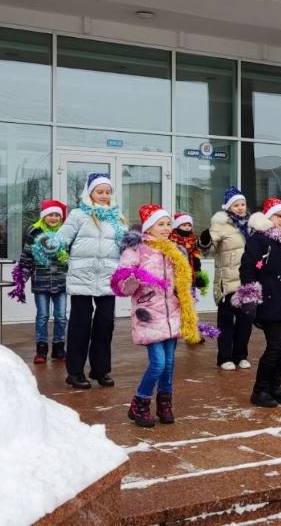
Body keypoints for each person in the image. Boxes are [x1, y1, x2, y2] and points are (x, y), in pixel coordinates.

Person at [112, 205, 201, 427]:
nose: (166, 228)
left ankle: (164, 404)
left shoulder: (175, 250)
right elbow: (122, 285)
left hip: (173, 314)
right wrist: (133, 280)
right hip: (150, 314)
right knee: (158, 363)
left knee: (169, 364)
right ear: (149, 227)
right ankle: (139, 403)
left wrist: (187, 297)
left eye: (168, 224)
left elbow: (182, 282)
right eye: (161, 224)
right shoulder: (136, 250)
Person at [233, 198, 281, 408]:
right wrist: (250, 296)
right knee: (275, 346)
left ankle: (275, 387)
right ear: (269, 217)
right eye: (279, 216)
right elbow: (247, 269)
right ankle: (260, 390)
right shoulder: (258, 240)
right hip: (267, 300)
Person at [56, 174, 125, 390]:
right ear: (90, 193)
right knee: (80, 326)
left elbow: (125, 245)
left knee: (105, 325)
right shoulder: (78, 215)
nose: (104, 196)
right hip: (81, 277)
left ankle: (100, 370)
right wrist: (50, 246)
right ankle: (75, 372)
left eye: (108, 192)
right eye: (100, 191)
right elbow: (62, 238)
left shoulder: (117, 218)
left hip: (108, 278)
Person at [199, 186, 252, 371]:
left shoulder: (250, 225)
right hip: (227, 282)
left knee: (245, 322)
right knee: (227, 322)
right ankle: (224, 357)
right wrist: (205, 241)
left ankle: (241, 355)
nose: (240, 208)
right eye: (236, 205)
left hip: (247, 282)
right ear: (228, 207)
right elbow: (208, 248)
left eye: (242, 204)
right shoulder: (220, 225)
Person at [16, 199, 70, 364]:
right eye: (50, 215)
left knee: (61, 316)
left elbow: (72, 255)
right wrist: (21, 277)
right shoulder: (34, 231)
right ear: (44, 216)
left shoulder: (66, 232)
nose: (53, 218)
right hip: (41, 280)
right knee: (42, 315)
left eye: (57, 215)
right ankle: (41, 349)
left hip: (61, 281)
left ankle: (59, 347)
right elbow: (27, 256)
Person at [168, 212, 210, 296]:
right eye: (184, 225)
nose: (187, 227)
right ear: (177, 226)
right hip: (173, 275)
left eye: (189, 225)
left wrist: (198, 275)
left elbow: (196, 259)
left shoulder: (193, 240)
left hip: (189, 274)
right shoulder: (170, 239)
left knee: (189, 298)